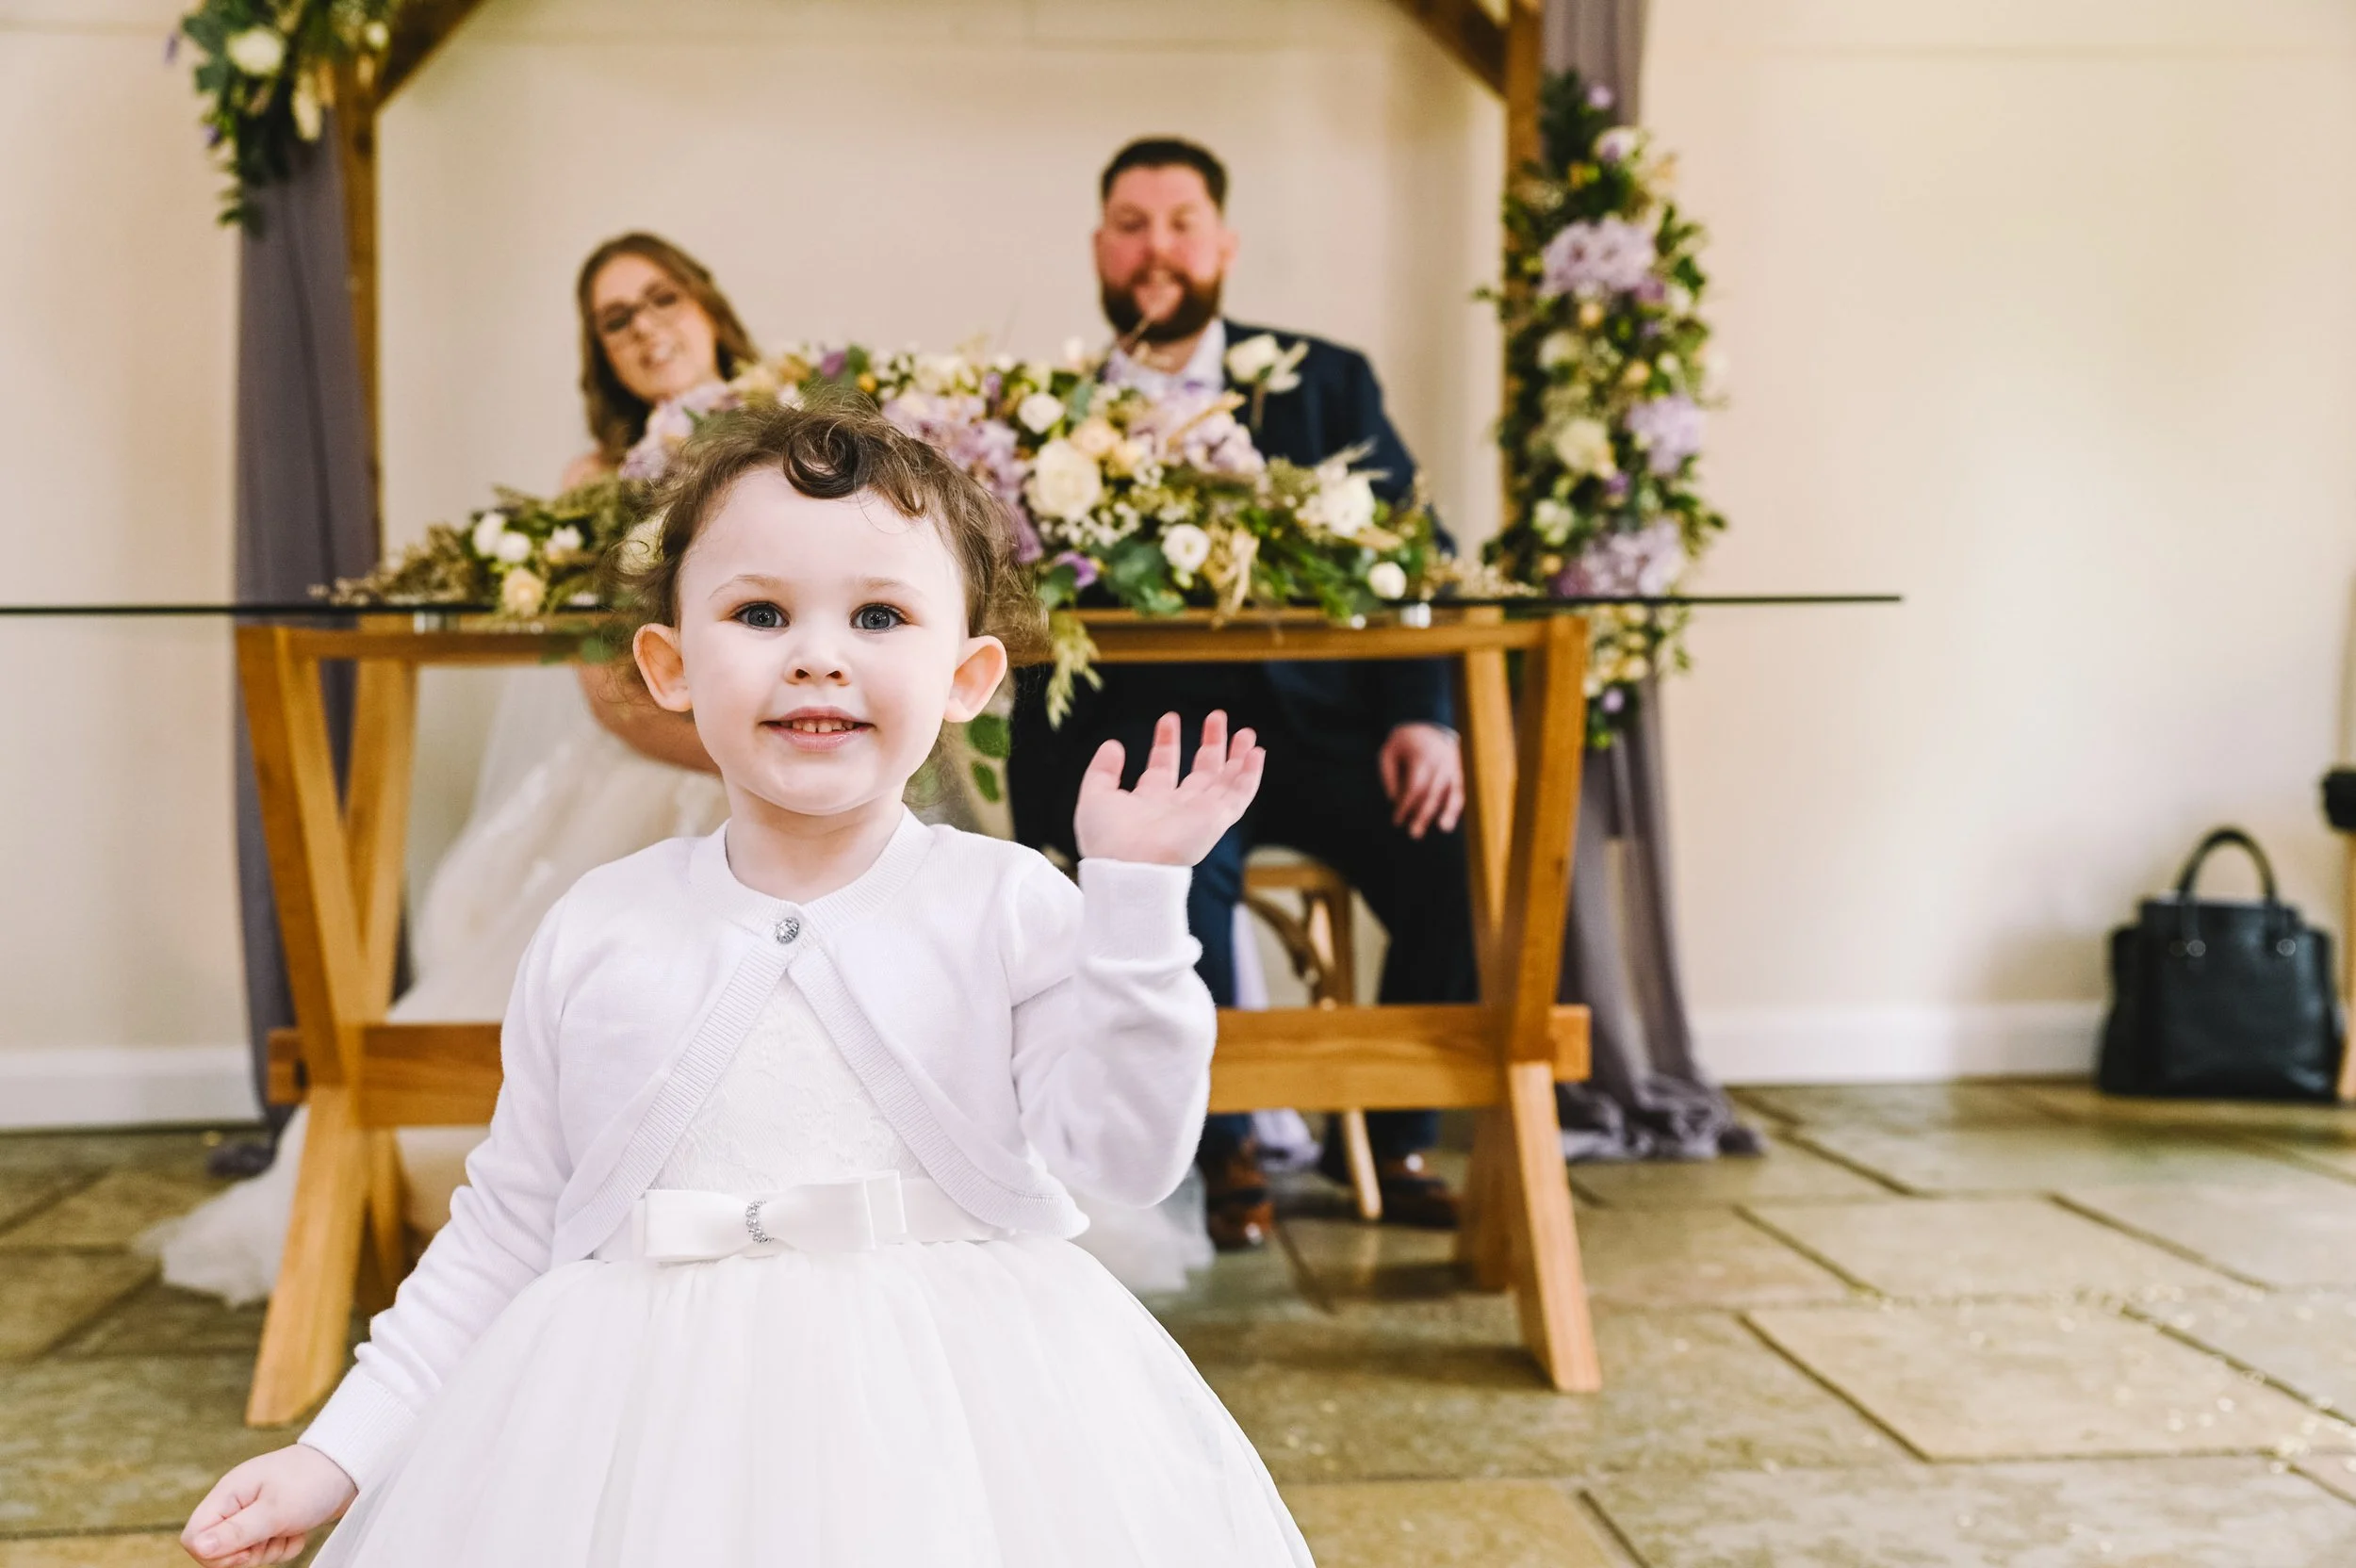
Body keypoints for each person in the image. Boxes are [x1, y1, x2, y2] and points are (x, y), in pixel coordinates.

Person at [178, 397, 1305, 1568]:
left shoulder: (1009, 904)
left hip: (954, 1436)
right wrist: (339, 1451)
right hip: (645, 1442)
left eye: (879, 614)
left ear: (968, 675)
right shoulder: (598, 928)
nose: (817, 653)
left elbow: (1126, 1159)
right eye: (760, 612)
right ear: (667, 665)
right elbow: (506, 1231)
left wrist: (1135, 907)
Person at [150, 235, 754, 1302]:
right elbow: (606, 687)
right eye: (616, 319)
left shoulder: (805, 434)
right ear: (601, 354)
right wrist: (757, 761)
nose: (647, 327)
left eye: (662, 297)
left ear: (707, 303)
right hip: (665, 765)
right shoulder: (592, 483)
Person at [1008, 137, 1474, 1250]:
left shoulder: (1327, 380)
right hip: (1146, 742)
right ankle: (1222, 1149)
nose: (1156, 248)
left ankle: (1396, 1132)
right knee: (1170, 871)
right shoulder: (1041, 410)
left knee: (1458, 844)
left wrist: (1422, 714)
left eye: (1180, 223)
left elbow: (1417, 551)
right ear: (1100, 248)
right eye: (1132, 225)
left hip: (1322, 729)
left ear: (1222, 245)